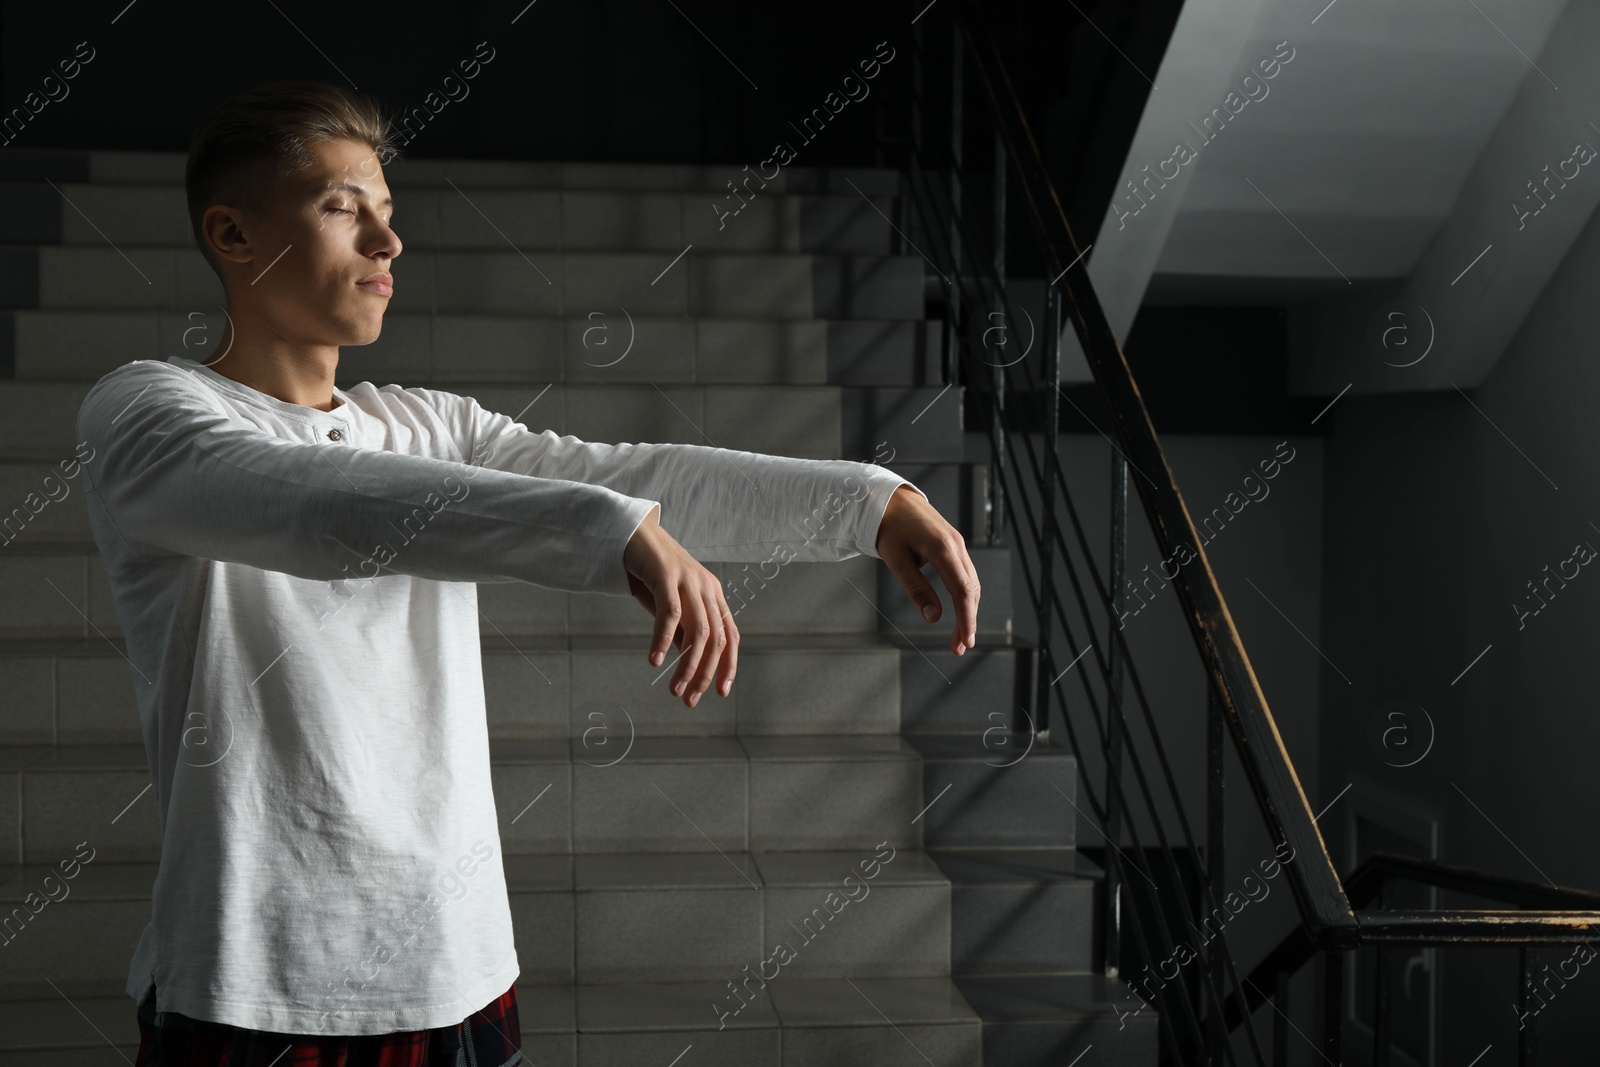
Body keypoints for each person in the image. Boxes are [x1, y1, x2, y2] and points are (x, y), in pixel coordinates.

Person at [78, 80, 980, 1064]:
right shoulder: (143, 412)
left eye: (389, 213)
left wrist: (868, 501)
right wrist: (615, 530)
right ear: (234, 235)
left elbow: (634, 470)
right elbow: (317, 501)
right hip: (257, 987)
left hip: (461, 973)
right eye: (343, 209)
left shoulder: (428, 422)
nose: (387, 243)